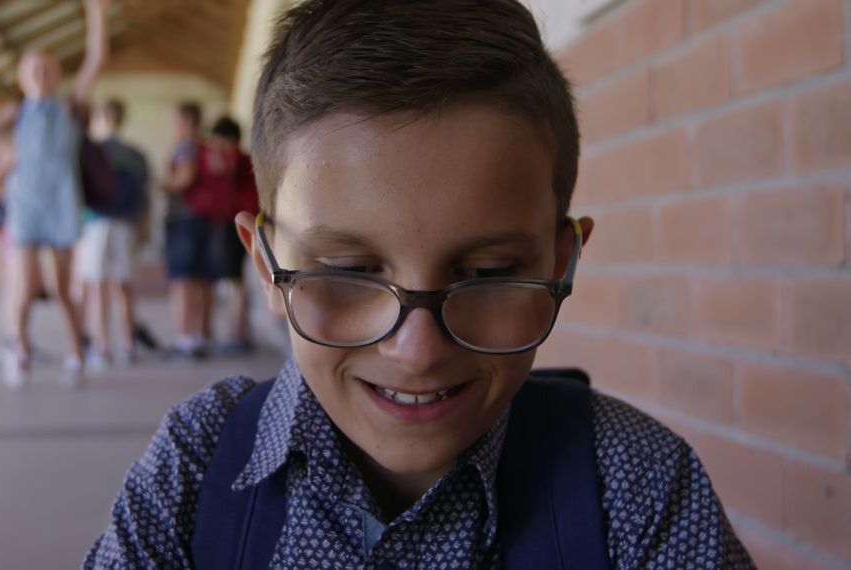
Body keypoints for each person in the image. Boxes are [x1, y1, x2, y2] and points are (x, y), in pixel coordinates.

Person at [84, 1, 755, 568]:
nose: (418, 350)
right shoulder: (198, 469)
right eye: (347, 272)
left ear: (561, 264)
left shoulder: (637, 489)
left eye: (488, 274)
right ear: (265, 266)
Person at [0, 0, 110, 388]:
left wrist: (96, 12)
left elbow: (96, 58)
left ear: (56, 76)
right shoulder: (15, 113)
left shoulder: (69, 107)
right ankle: (19, 349)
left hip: (62, 206)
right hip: (25, 208)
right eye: (32, 69)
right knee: (24, 285)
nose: (40, 74)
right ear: (21, 77)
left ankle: (77, 353)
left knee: (63, 289)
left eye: (47, 68)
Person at [76, 100, 150, 370]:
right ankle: (128, 345)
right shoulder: (136, 154)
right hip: (126, 224)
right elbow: (144, 196)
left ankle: (101, 346)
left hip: (96, 223)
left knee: (97, 285)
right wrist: (143, 228)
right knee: (124, 284)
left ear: (102, 118)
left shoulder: (93, 151)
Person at [159, 102, 214, 359]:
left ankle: (184, 338)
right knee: (201, 279)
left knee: (183, 279)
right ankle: (201, 334)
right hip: (203, 218)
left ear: (187, 122)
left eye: (176, 121)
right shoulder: (206, 146)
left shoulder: (185, 148)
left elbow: (185, 178)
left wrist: (161, 186)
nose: (173, 126)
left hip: (183, 219)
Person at [204, 116, 257, 354]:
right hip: (241, 220)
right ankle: (239, 331)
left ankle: (237, 333)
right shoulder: (247, 158)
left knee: (235, 280)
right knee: (237, 279)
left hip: (234, 221)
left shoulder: (233, 158)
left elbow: (224, 183)